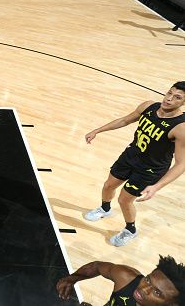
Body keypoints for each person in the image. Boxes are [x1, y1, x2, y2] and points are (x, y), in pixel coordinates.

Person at [83, 82, 185, 246]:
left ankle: (130, 230)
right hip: (130, 156)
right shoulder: (149, 106)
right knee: (109, 185)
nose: (169, 99)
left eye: (177, 97)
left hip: (150, 169)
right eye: (169, 93)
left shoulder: (181, 127)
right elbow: (124, 120)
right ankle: (105, 209)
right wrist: (97, 130)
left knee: (124, 200)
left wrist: (156, 187)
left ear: (183, 102)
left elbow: (181, 164)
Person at [56, 255, 185, 305]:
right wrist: (71, 279)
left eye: (157, 293)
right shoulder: (126, 278)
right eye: (148, 280)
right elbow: (97, 267)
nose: (144, 289)